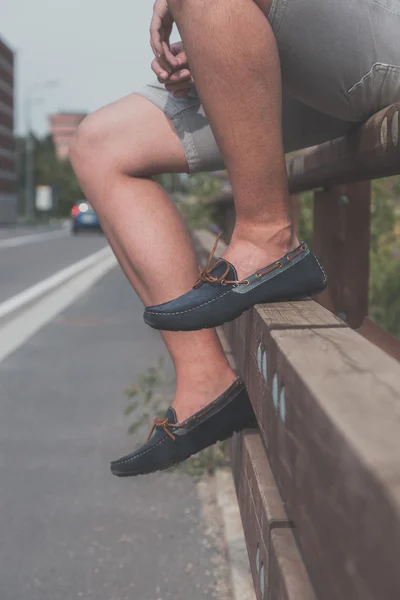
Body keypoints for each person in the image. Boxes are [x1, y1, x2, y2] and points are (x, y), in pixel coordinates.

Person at [70, 0, 400, 476]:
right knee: (99, 145)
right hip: (329, 54)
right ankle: (205, 381)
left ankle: (269, 235)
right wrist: (217, 43)